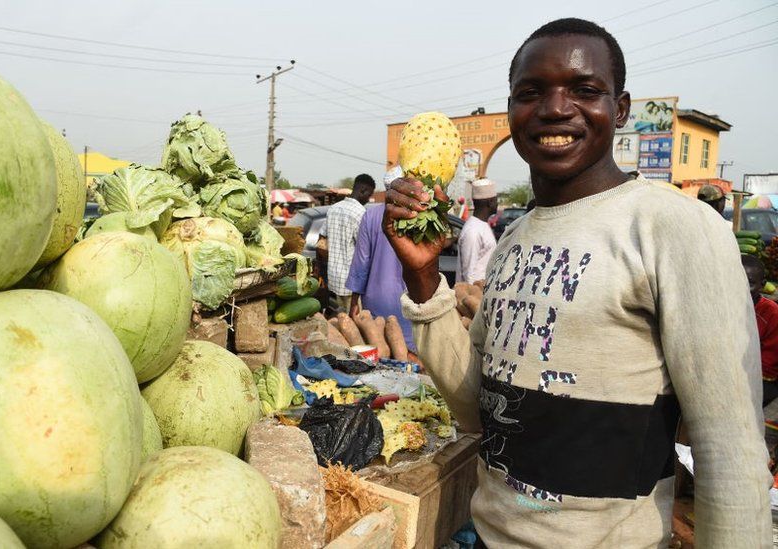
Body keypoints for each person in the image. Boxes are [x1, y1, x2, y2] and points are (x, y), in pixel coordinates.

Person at [384, 18, 770, 547]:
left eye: (584, 90)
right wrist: (423, 276)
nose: (555, 109)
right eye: (531, 92)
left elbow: (729, 446)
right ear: (513, 110)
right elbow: (478, 412)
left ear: (622, 109)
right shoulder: (513, 242)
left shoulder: (675, 227)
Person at [345, 172, 417, 355]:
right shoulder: (416, 216)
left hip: (375, 299)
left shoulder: (370, 216)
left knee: (381, 357)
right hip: (409, 300)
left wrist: (354, 300)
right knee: (407, 356)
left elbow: (361, 261)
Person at [319, 174, 375, 308]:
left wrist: (321, 270)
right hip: (353, 284)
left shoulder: (333, 209)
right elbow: (365, 251)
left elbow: (321, 242)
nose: (368, 199)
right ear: (363, 191)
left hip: (335, 279)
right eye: (369, 195)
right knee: (357, 324)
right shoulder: (361, 214)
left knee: (343, 322)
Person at [744, 254, 778, 406]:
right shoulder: (727, 305)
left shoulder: (771, 313)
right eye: (738, 280)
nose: (742, 287)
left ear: (762, 285)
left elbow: (768, 362)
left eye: (750, 283)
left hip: (761, 378)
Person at [457, 179, 498, 283]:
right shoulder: (473, 230)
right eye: (496, 200)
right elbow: (468, 273)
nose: (497, 204)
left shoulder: (482, 225)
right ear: (490, 202)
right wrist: (474, 296)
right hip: (474, 295)